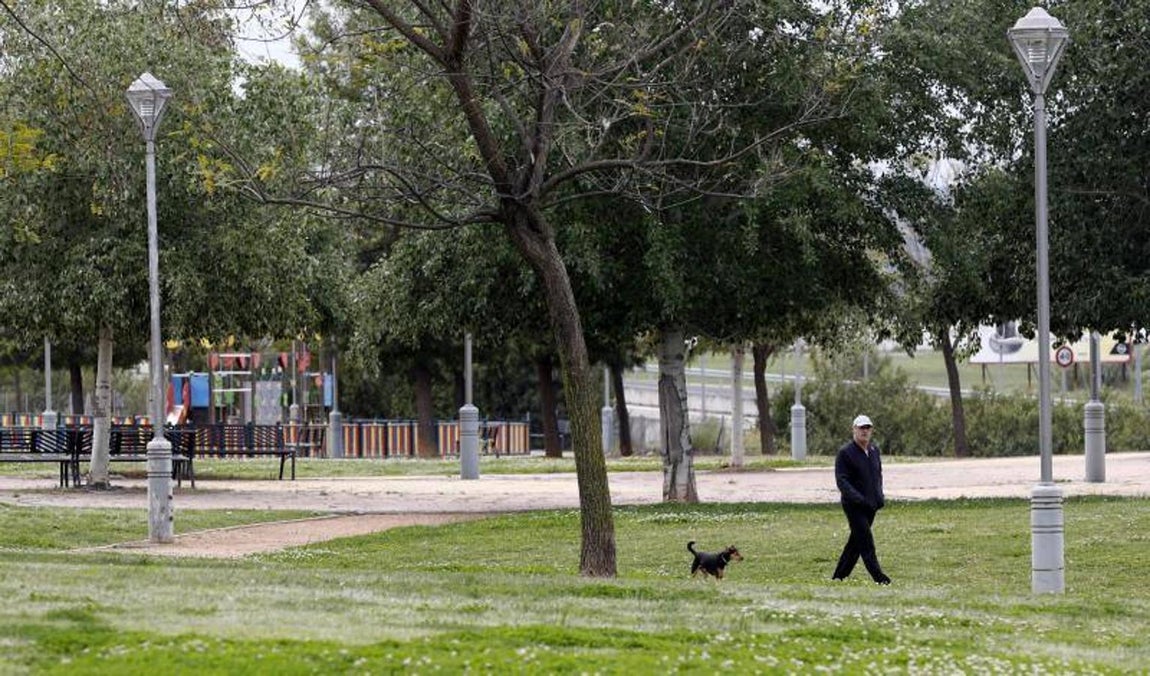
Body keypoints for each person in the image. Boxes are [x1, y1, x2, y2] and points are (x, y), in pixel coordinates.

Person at [832, 414, 891, 584]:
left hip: (871, 505)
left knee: (855, 543)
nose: (864, 431)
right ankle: (880, 578)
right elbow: (842, 481)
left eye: (867, 428)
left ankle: (839, 576)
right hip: (854, 506)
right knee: (865, 541)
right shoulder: (845, 453)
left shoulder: (874, 451)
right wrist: (858, 499)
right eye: (861, 428)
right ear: (854, 430)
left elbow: (877, 475)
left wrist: (879, 496)